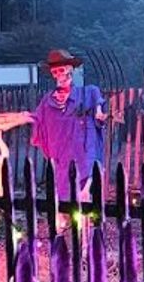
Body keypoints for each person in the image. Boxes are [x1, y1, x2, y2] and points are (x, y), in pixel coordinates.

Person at [29, 48, 107, 188]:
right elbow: (38, 123)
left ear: (70, 70)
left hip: (86, 158)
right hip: (62, 161)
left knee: (88, 201)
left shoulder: (89, 93)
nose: (59, 75)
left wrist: (100, 114)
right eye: (55, 72)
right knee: (64, 200)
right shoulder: (48, 102)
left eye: (62, 70)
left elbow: (99, 110)